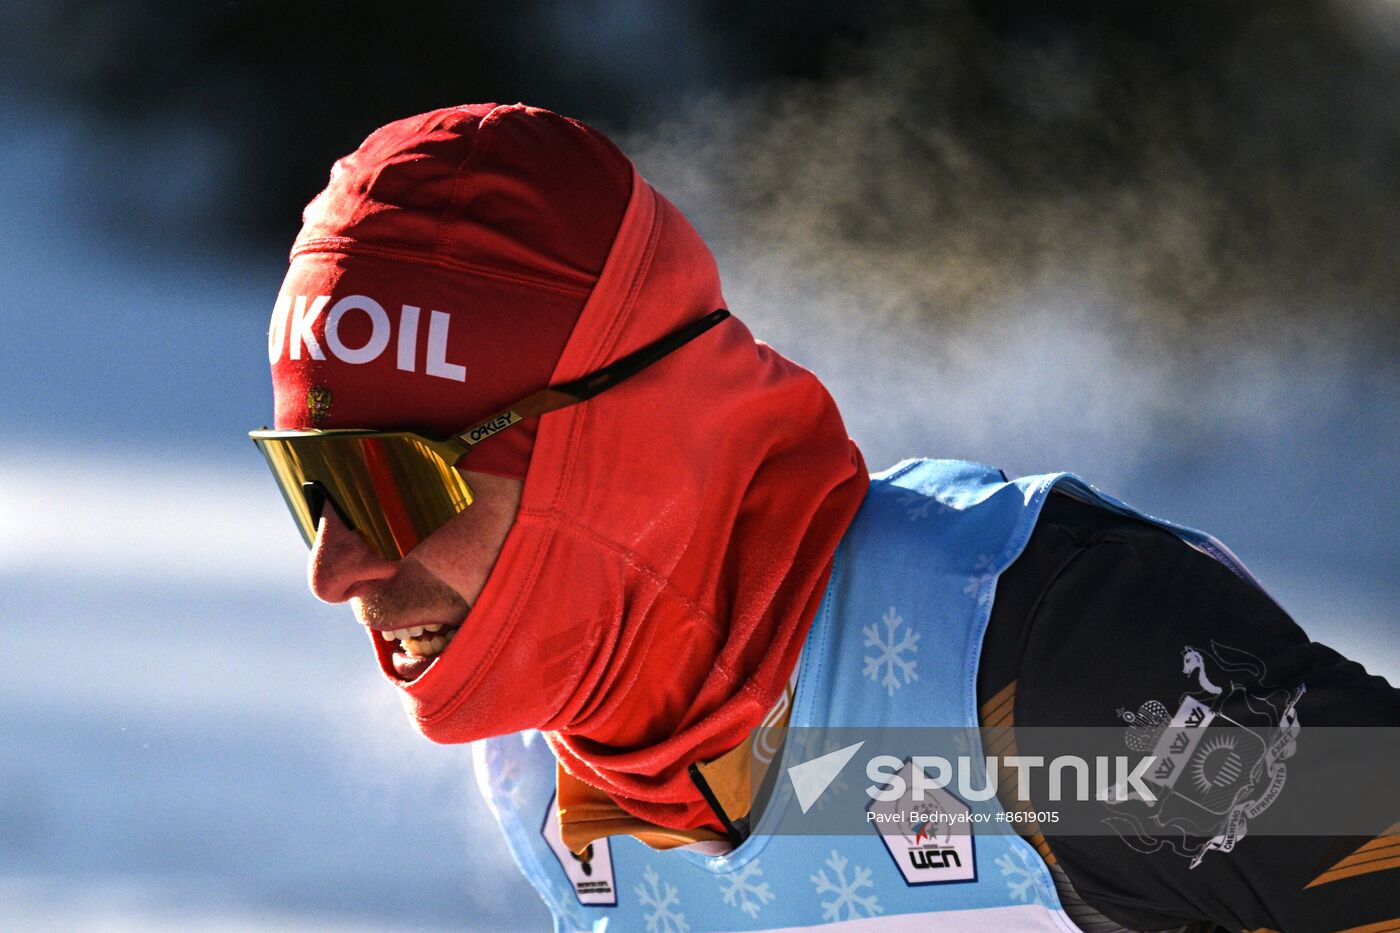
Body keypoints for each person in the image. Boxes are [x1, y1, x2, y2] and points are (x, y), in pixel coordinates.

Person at [253, 103, 1399, 932]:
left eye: (390, 486)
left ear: (608, 457)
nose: (334, 568)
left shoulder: (1041, 667)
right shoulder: (546, 756)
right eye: (309, 485)